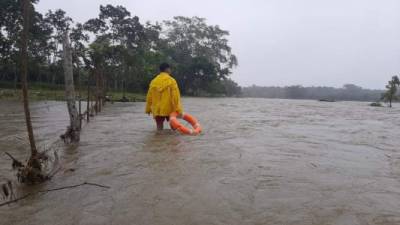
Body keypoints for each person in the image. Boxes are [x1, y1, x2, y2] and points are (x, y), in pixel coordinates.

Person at [145, 63, 183, 130]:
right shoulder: (172, 81)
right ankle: (171, 140)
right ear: (167, 69)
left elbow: (149, 96)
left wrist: (148, 109)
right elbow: (176, 97)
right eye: (170, 68)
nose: (170, 70)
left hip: (157, 109)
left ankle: (159, 139)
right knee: (173, 127)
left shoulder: (154, 81)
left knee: (159, 128)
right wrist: (178, 110)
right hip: (169, 108)